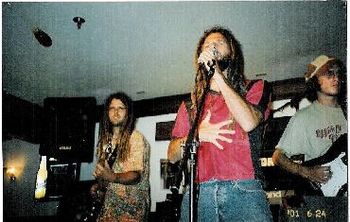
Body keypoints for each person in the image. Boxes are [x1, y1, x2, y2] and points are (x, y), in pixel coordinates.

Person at [167, 26, 273, 221]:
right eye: (208, 45)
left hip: (243, 190)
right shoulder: (190, 105)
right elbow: (172, 155)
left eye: (219, 42)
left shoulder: (255, 87)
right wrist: (197, 134)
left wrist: (218, 76)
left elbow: (249, 122)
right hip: (198, 195)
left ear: (232, 52)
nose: (212, 45)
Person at [272, 55, 347, 218]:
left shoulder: (346, 111)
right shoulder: (303, 118)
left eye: (338, 73)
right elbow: (278, 157)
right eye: (328, 73)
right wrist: (307, 172)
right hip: (323, 194)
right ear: (314, 81)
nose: (335, 77)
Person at [90, 92, 150, 222]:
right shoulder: (105, 141)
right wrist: (99, 186)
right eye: (112, 108)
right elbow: (105, 173)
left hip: (131, 210)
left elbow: (136, 175)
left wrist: (112, 176)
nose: (116, 112)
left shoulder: (135, 137)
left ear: (128, 113)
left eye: (121, 108)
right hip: (109, 208)